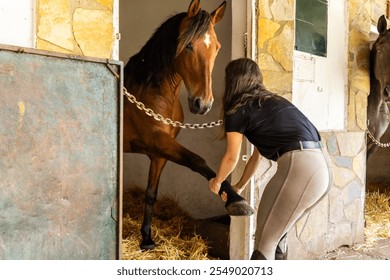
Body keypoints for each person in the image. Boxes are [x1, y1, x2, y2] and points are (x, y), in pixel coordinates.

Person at [209, 58, 333, 260]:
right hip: (322, 169)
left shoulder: (237, 109)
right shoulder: (270, 103)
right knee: (277, 239)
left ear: (231, 80)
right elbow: (256, 157)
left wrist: (218, 181)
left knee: (263, 246)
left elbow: (231, 157)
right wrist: (239, 186)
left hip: (301, 169)